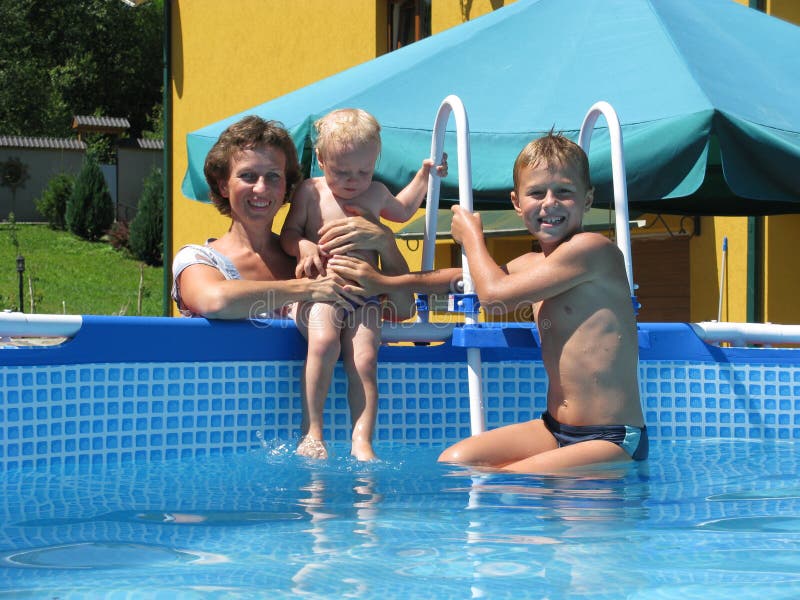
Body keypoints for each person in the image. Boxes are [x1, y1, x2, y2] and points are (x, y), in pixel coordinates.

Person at [332, 131, 647, 474]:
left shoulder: (593, 250)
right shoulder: (532, 265)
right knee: (456, 463)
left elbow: (494, 297)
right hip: (555, 429)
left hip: (610, 438)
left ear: (587, 199)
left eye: (565, 192)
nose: (550, 202)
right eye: (537, 192)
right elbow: (465, 280)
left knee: (501, 484)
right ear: (516, 202)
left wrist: (471, 238)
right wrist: (385, 282)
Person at [171, 115, 413, 450]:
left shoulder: (311, 259)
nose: (261, 188)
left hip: (304, 452)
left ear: (287, 187)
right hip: (216, 436)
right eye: (247, 176)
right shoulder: (198, 259)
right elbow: (215, 301)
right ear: (223, 184)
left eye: (273, 177)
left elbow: (404, 309)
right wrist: (309, 289)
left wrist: (386, 243)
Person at [280, 108, 446, 461]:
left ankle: (362, 440)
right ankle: (312, 430)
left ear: (375, 162)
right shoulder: (311, 193)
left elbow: (402, 211)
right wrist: (304, 245)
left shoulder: (376, 193)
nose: (354, 181)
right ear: (322, 160)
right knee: (324, 343)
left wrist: (424, 176)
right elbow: (289, 233)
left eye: (364, 171)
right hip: (322, 291)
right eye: (342, 171)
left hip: (365, 298)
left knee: (366, 359)